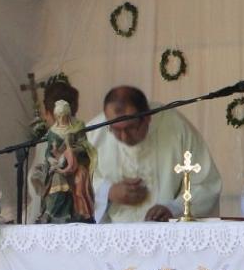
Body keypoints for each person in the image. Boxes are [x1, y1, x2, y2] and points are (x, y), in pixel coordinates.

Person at [86, 85, 222, 222]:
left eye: (130, 128)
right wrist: (108, 192)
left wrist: (174, 208)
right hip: (112, 231)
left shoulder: (176, 127)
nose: (124, 136)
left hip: (168, 229)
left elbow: (206, 183)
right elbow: (77, 183)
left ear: (147, 118)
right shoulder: (93, 134)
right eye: (116, 130)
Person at [36, 99, 95, 223]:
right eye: (59, 116)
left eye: (64, 116)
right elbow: (48, 151)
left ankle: (76, 213)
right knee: (57, 177)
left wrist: (70, 153)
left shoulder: (78, 126)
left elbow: (84, 146)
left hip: (76, 164)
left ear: (68, 115)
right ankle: (55, 214)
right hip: (58, 165)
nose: (62, 119)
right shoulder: (53, 131)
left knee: (78, 178)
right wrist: (51, 159)